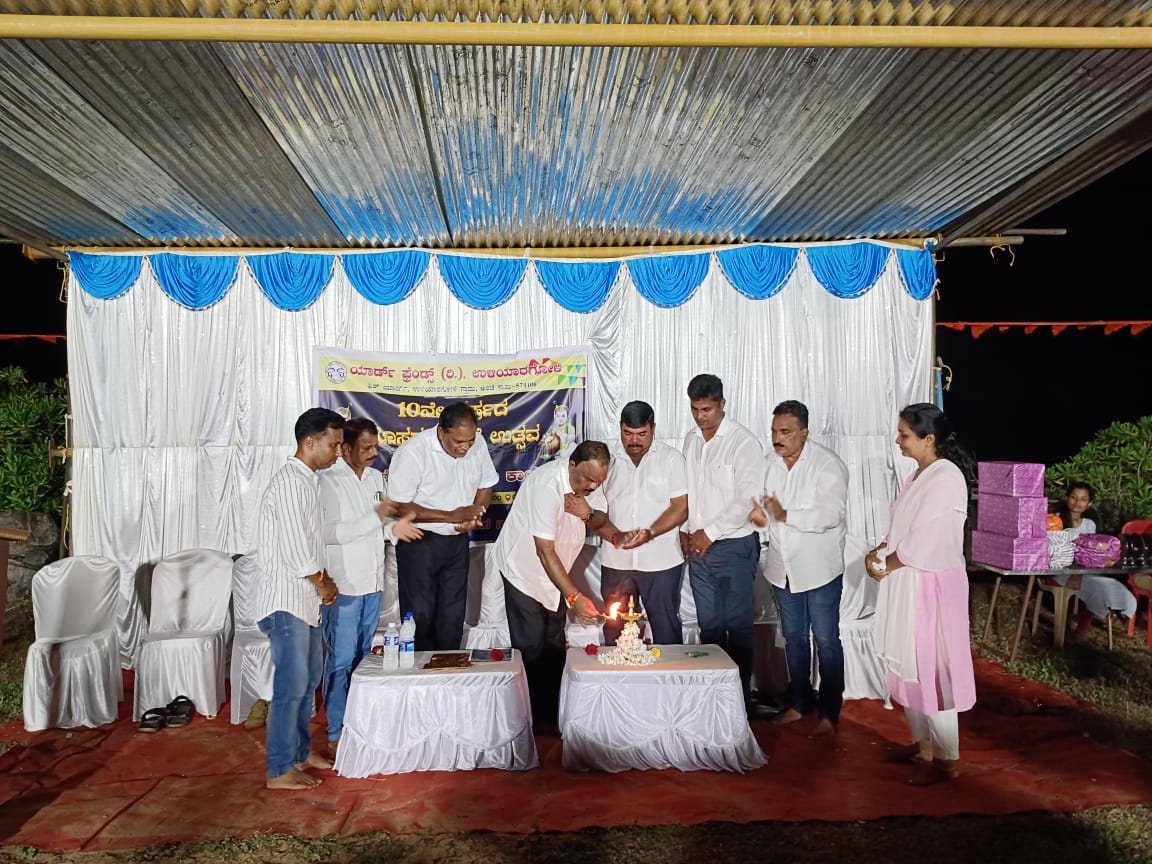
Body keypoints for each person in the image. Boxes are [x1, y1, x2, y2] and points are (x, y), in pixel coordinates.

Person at [252, 408, 391, 790]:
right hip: (286, 600)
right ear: (310, 442)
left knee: (307, 681)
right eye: (332, 444)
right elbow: (298, 549)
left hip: (306, 600)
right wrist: (323, 581)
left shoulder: (308, 480)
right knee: (291, 686)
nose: (336, 452)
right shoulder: (290, 483)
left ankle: (299, 753)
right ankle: (279, 769)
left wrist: (319, 585)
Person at [866, 403, 976, 786]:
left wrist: (887, 564)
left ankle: (946, 761)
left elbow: (930, 540)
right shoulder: (919, 474)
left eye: (904, 434)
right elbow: (901, 527)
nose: (898, 441)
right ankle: (923, 744)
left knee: (933, 667)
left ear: (929, 439)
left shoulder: (946, 477)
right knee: (909, 663)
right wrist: (879, 552)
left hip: (931, 584)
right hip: (908, 578)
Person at [318, 417, 422, 753]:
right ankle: (336, 731)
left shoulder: (377, 478)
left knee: (364, 658)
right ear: (345, 448)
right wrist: (375, 519)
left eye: (376, 446)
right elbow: (328, 533)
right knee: (340, 660)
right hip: (343, 585)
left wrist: (393, 529)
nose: (374, 453)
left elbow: (380, 525)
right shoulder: (327, 480)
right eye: (366, 448)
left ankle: (360, 724)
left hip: (372, 582)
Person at [493, 441, 609, 731]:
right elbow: (544, 552)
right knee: (531, 644)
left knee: (555, 642)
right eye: (588, 479)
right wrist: (574, 596)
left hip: (558, 572)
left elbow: (602, 518)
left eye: (598, 481)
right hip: (524, 571)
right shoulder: (546, 486)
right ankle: (530, 721)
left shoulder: (591, 483)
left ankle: (555, 713)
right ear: (572, 465)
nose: (593, 486)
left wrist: (587, 513)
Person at [750, 400, 848, 737]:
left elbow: (830, 515)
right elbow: (763, 512)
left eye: (786, 432)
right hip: (782, 569)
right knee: (793, 639)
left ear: (805, 433)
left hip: (819, 569)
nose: (777, 438)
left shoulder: (827, 465)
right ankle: (799, 703)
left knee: (826, 640)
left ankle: (830, 712)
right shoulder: (768, 465)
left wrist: (786, 514)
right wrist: (761, 518)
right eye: (774, 431)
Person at [680, 374, 763, 707]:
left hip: (733, 547)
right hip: (698, 549)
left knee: (738, 627)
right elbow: (688, 491)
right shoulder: (690, 440)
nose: (700, 416)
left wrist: (709, 533)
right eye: (695, 409)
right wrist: (686, 530)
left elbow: (747, 499)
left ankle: (739, 702)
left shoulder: (743, 443)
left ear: (722, 404)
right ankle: (713, 698)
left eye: (707, 409)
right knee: (709, 627)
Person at [387, 403, 499, 650]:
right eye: (458, 441)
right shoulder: (414, 452)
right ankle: (419, 669)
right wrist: (452, 515)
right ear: (441, 431)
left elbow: (486, 484)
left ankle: (447, 667)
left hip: (457, 542)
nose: (465, 447)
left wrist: (475, 513)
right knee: (420, 614)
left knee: (453, 614)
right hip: (419, 542)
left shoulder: (478, 444)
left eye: (469, 441)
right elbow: (398, 506)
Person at [597, 401, 688, 646]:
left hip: (661, 561)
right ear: (620, 428)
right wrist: (615, 536)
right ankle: (618, 672)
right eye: (628, 433)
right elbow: (596, 511)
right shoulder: (608, 461)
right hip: (616, 561)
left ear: (653, 429)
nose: (634, 440)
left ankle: (671, 672)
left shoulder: (671, 459)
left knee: (665, 627)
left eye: (641, 434)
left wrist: (651, 532)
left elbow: (680, 507)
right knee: (615, 628)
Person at [1051, 481, 1136, 637]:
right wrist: (1074, 573)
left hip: (1085, 573)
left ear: (1089, 504)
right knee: (1097, 591)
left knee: (1113, 589)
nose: (1077, 502)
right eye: (1073, 497)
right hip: (1058, 572)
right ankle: (1074, 633)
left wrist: (1106, 560)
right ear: (1067, 498)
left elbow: (1090, 554)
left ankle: (1080, 622)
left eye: (1083, 499)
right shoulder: (1054, 521)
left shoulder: (1089, 525)